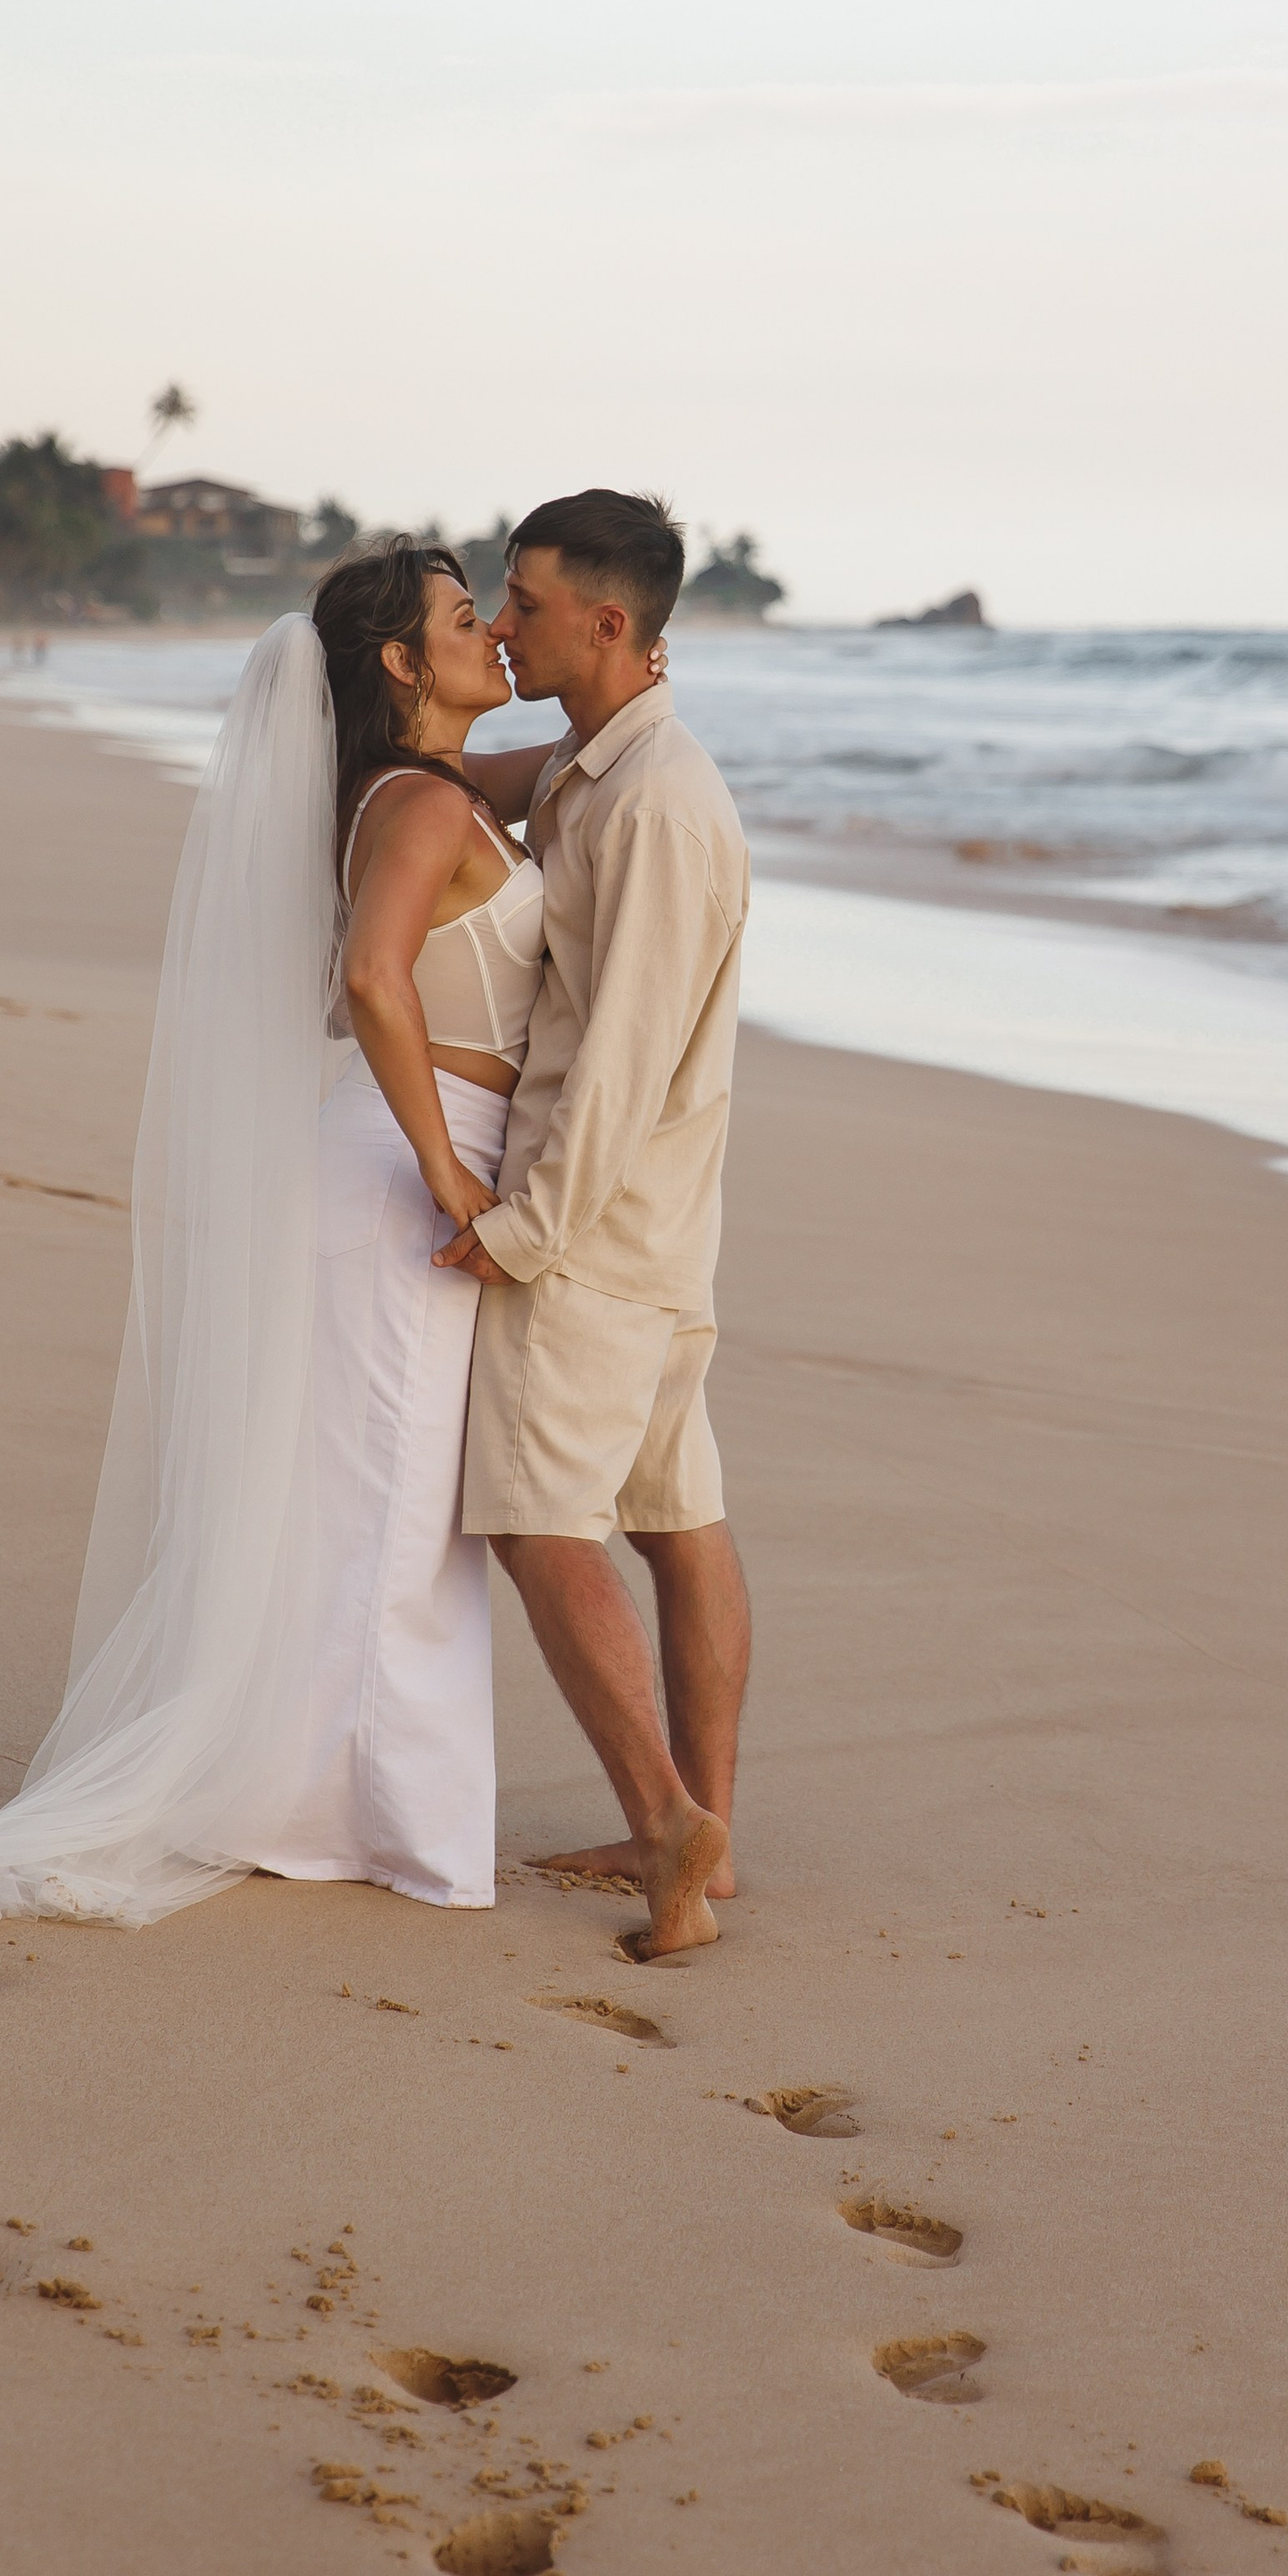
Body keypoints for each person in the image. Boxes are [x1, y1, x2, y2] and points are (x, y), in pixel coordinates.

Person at [0, 538, 553, 1925]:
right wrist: (446, 1170)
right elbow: (372, 975)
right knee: (391, 1511)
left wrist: (633, 689)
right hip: (399, 1175)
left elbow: (576, 768)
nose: (490, 633)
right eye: (460, 618)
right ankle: (348, 1817)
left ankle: (332, 1801)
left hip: (385, 1163)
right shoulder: (418, 806)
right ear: (398, 664)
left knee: (376, 1506)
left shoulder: (428, 788)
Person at [448, 490, 750, 1961]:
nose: (505, 627)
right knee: (675, 1518)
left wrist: (524, 1232)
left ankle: (672, 1821)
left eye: (525, 603)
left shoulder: (656, 805)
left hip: (600, 1233)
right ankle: (698, 1836)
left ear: (608, 622)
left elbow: (621, 1052)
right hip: (657, 1229)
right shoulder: (596, 758)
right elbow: (486, 779)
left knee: (535, 1519)